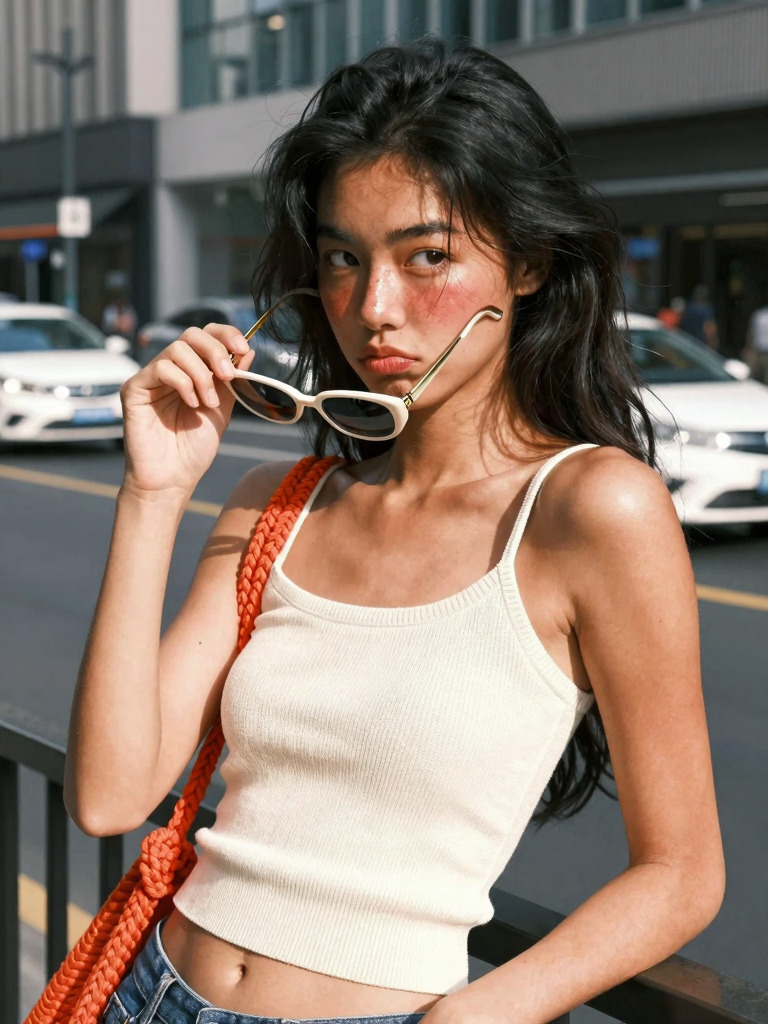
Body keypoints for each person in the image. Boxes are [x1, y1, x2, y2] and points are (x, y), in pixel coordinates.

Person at [64, 39, 724, 1024]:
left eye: (427, 257)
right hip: (149, 994)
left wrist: (478, 1013)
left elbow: (681, 871)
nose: (374, 309)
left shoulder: (593, 510)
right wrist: (153, 495)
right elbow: (111, 796)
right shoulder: (275, 501)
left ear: (530, 261)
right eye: (343, 257)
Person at [679, 283, 719, 350]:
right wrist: (712, 342)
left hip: (686, 341)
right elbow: (709, 328)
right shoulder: (706, 310)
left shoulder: (689, 307)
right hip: (699, 344)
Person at [743, 298, 768, 383]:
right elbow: (752, 334)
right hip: (759, 350)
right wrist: (749, 348)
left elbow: (751, 334)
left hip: (759, 349)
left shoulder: (758, 315)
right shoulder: (758, 315)